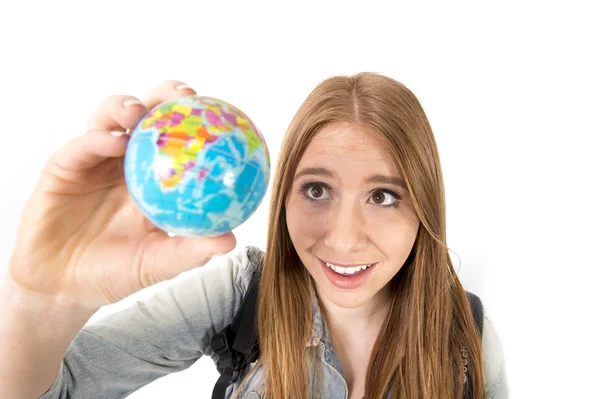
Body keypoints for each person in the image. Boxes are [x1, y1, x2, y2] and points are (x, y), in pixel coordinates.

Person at [0, 73, 508, 399]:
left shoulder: (470, 337)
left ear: (426, 208)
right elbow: (61, 389)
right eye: (316, 190)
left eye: (382, 196)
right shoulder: (240, 293)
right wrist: (40, 300)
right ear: (282, 192)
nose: (346, 240)